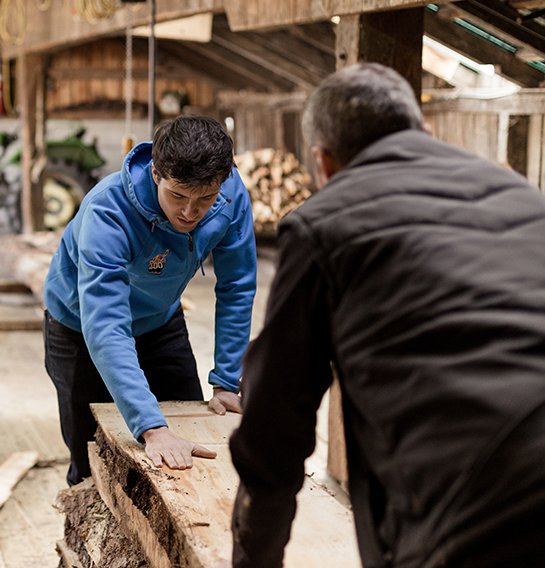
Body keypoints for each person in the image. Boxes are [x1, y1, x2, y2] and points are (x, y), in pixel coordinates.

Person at [229, 63, 545, 568]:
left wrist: (252, 560)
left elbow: (275, 430)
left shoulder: (323, 225)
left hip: (482, 507)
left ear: (322, 163)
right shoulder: (524, 199)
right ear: (427, 132)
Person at [43, 114, 257, 487]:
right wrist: (152, 428)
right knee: (91, 458)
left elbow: (237, 284)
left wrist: (226, 381)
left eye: (204, 199)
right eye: (177, 196)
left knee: (195, 433)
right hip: (80, 327)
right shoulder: (107, 213)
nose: (189, 213)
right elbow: (106, 325)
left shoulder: (231, 195)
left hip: (160, 320)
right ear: (156, 174)